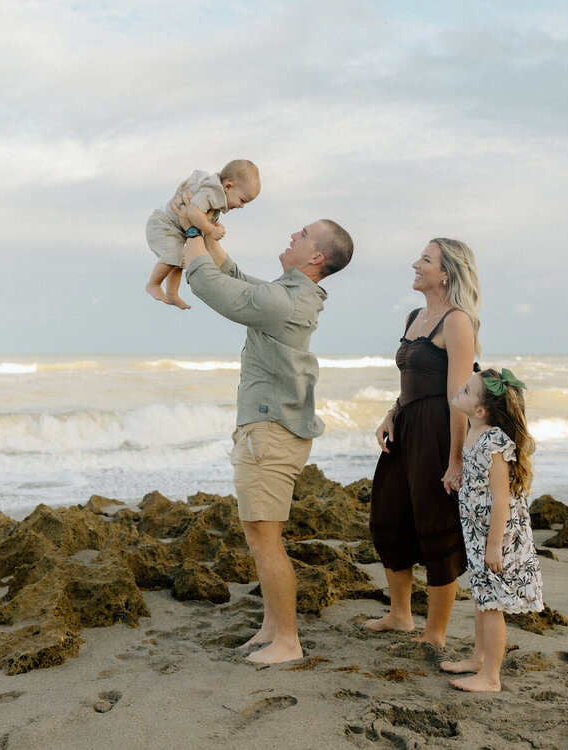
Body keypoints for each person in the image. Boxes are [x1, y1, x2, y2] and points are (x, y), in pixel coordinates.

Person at [172, 195, 353, 664]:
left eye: (303, 234)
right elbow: (235, 279)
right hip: (269, 428)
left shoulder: (288, 299)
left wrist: (193, 233)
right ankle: (271, 629)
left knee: (264, 538)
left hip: (270, 431)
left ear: (316, 256)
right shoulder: (290, 293)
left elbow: (213, 287)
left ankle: (288, 642)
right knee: (259, 536)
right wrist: (210, 234)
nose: (293, 233)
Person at [364, 238, 480, 646]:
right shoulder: (415, 315)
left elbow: (459, 398)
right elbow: (410, 383)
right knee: (388, 518)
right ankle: (400, 616)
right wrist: (391, 413)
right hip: (406, 428)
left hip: (436, 432)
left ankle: (435, 633)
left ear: (445, 272)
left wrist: (456, 460)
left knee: (437, 527)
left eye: (426, 260)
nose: (416, 264)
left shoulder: (457, 321)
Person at [441, 367, 543, 692]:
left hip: (496, 534)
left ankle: (491, 676)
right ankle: (478, 659)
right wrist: (462, 481)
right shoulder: (473, 432)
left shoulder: (494, 442)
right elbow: (480, 483)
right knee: (482, 596)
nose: (460, 389)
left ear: (481, 410)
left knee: (491, 602)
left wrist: (494, 545)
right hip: (477, 530)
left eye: (467, 391)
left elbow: (501, 498)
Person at [145, 160, 261, 309]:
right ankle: (153, 283)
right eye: (242, 200)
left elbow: (204, 215)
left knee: (181, 260)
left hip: (174, 230)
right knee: (173, 255)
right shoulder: (211, 192)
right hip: (163, 225)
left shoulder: (217, 196)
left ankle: (172, 294)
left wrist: (213, 224)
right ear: (228, 186)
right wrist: (211, 230)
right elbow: (193, 212)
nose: (241, 206)